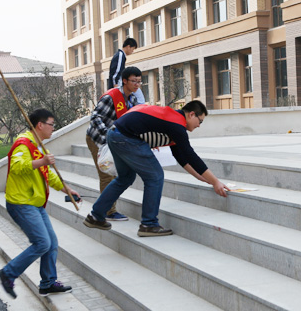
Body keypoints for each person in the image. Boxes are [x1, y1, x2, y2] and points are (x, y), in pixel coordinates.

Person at [83, 100, 229, 237]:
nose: (199, 125)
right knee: (155, 177)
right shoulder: (177, 124)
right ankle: (149, 224)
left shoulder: (171, 120)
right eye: (200, 121)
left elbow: (181, 157)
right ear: (191, 114)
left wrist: (203, 178)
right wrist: (216, 182)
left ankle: (96, 215)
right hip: (126, 138)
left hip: (115, 134)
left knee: (125, 178)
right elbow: (191, 155)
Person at [0, 109, 80, 299]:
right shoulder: (23, 144)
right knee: (42, 243)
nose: (53, 128)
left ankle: (48, 283)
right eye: (51, 124)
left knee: (51, 243)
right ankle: (7, 273)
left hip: (34, 203)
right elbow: (17, 167)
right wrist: (41, 160)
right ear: (40, 125)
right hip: (21, 203)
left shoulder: (39, 145)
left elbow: (47, 173)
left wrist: (66, 189)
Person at [86, 67, 142, 222]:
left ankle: (107, 209)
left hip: (115, 142)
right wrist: (108, 135)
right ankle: (108, 211)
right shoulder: (111, 97)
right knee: (106, 175)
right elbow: (95, 117)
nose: (137, 84)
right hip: (98, 139)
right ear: (124, 81)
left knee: (115, 174)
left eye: (139, 81)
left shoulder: (133, 99)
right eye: (133, 81)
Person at [108, 37, 145, 104]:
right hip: (119, 83)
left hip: (119, 83)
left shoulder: (120, 55)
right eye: (132, 49)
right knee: (140, 98)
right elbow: (116, 71)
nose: (132, 51)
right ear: (128, 47)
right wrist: (115, 85)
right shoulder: (120, 55)